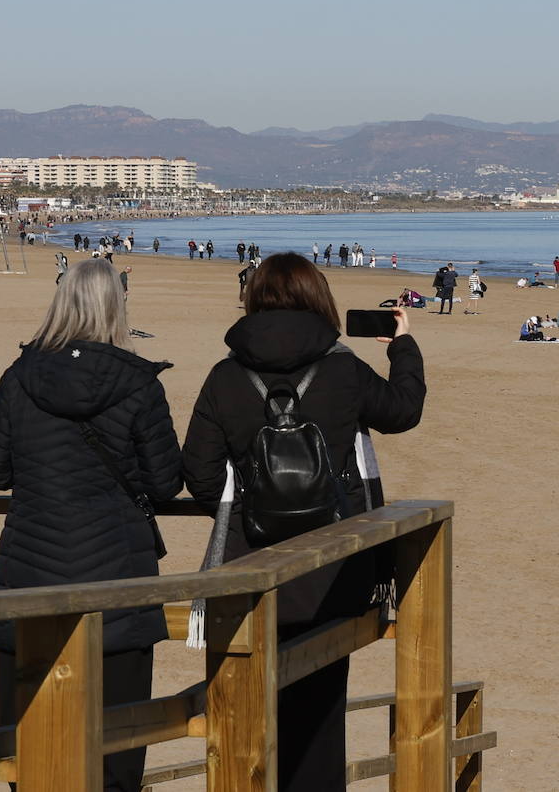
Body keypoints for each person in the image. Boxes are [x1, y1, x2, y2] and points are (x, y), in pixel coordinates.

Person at [181, 252, 424, 792]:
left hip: (249, 569)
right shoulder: (343, 369)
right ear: (319, 299)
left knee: (244, 715)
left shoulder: (225, 375)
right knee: (318, 713)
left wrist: (250, 511)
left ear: (253, 299)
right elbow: (405, 409)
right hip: (333, 566)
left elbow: (198, 474)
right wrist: (403, 344)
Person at [0, 258, 181, 791]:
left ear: (60, 302)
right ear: (118, 307)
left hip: (30, 576)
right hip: (119, 581)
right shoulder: (139, 383)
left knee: (29, 746)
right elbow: (164, 483)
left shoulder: (19, 376)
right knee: (116, 747)